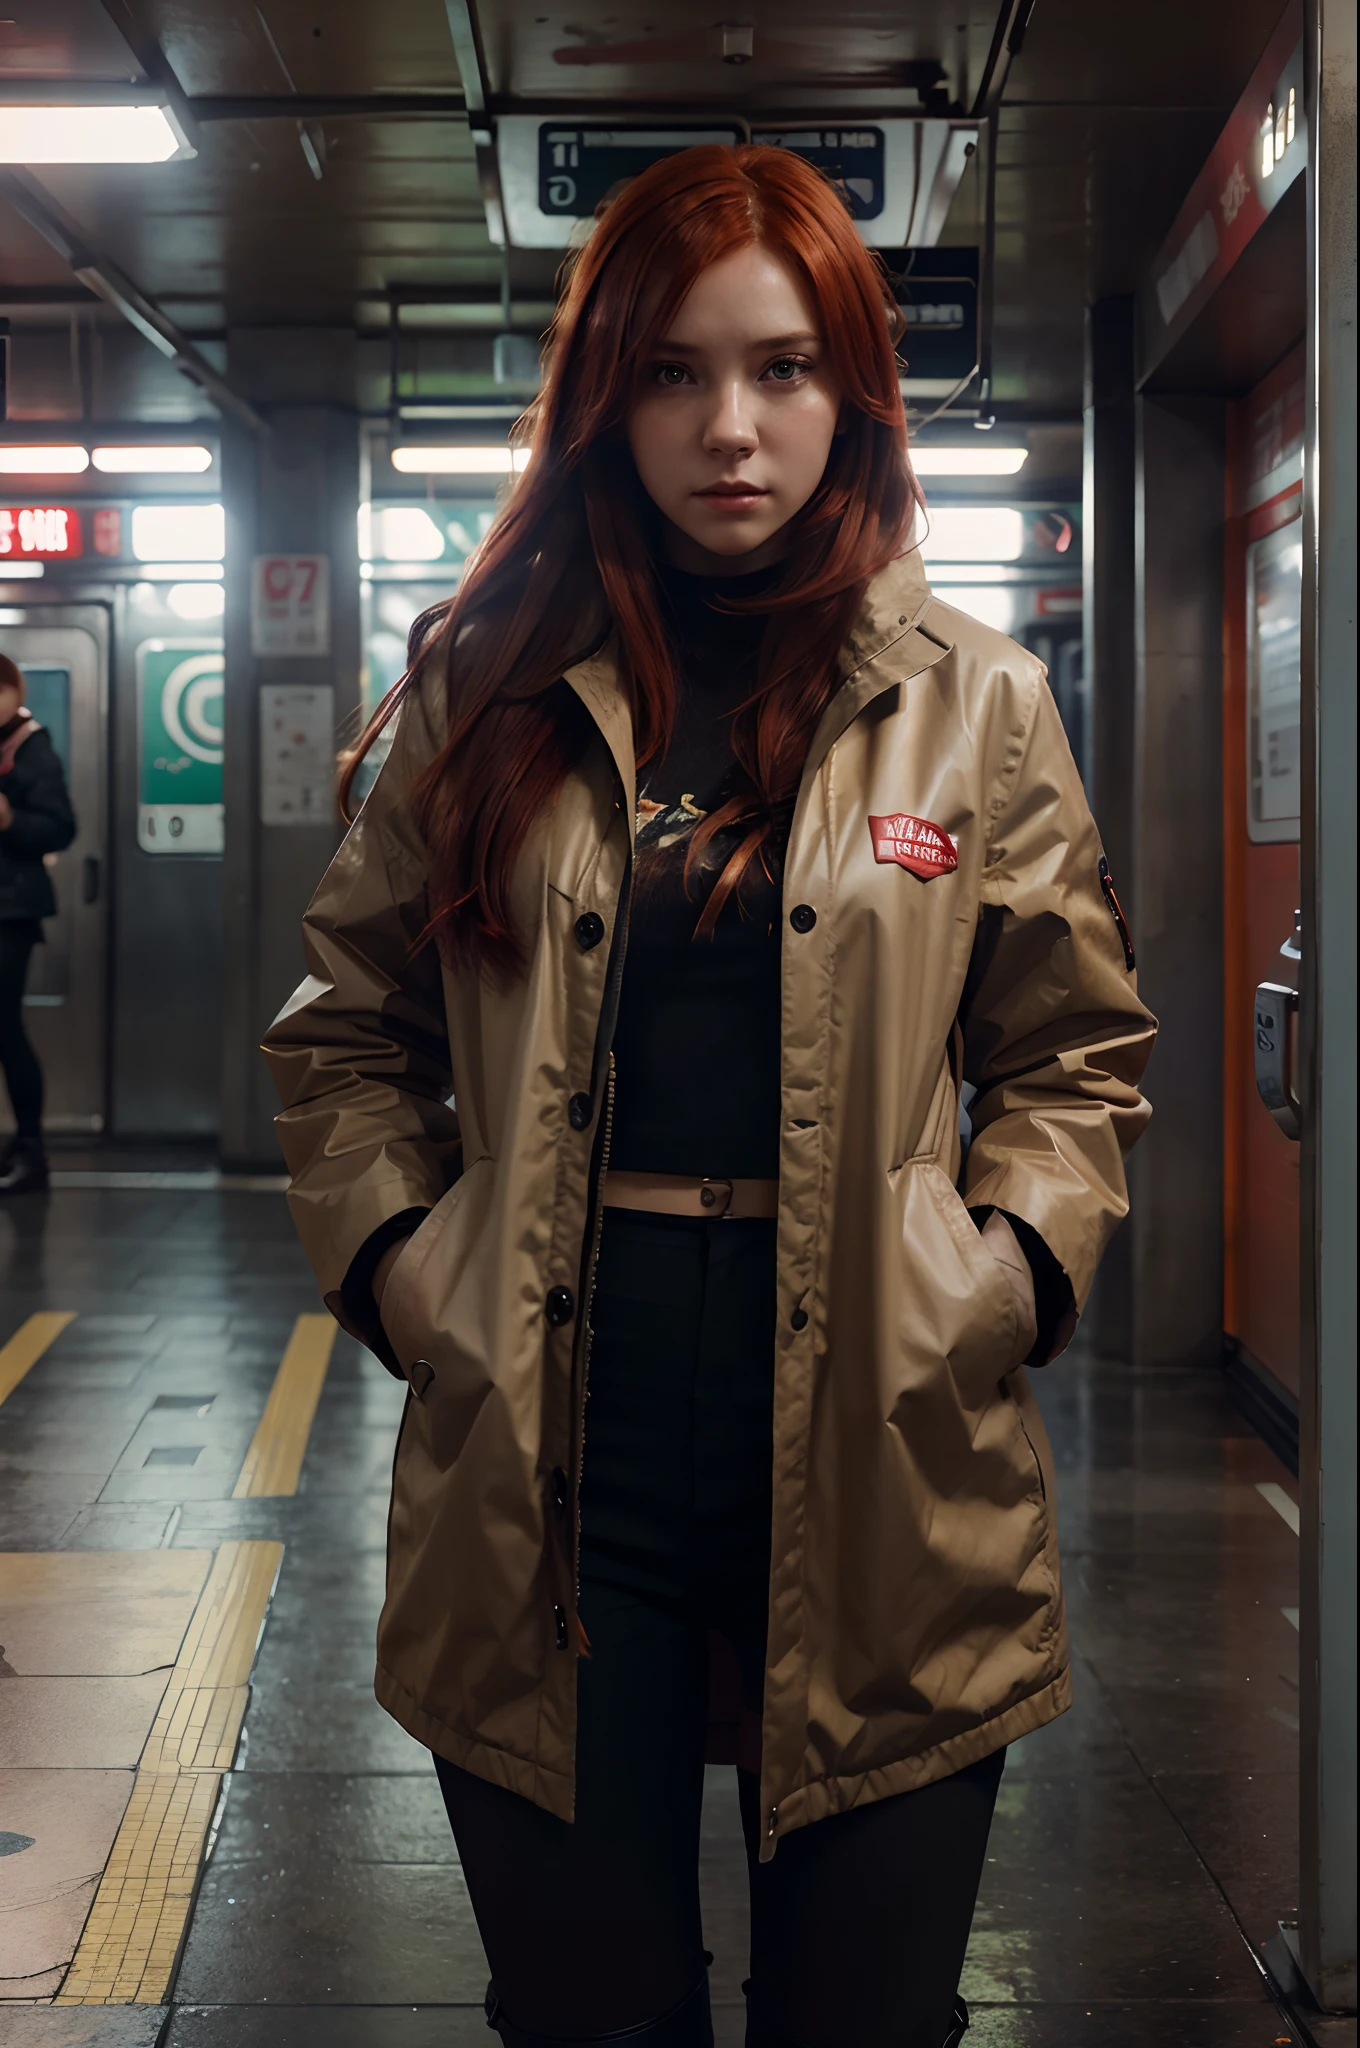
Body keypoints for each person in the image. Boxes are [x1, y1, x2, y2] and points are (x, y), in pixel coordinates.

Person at [264, 146, 1155, 2048]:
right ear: (605, 397)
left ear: (852, 393)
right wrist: (408, 1271)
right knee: (593, 2013)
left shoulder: (973, 701)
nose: (728, 429)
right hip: (548, 1444)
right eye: (672, 372)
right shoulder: (489, 684)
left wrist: (1010, 1275)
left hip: (891, 1434)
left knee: (867, 2015)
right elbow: (344, 1028)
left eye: (781, 370)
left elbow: (1074, 1053)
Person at [0, 650, 76, 1196]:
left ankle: (31, 1149)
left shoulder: (31, 746)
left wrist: (9, 819)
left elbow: (59, 827)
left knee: (5, 1026)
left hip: (11, 908)